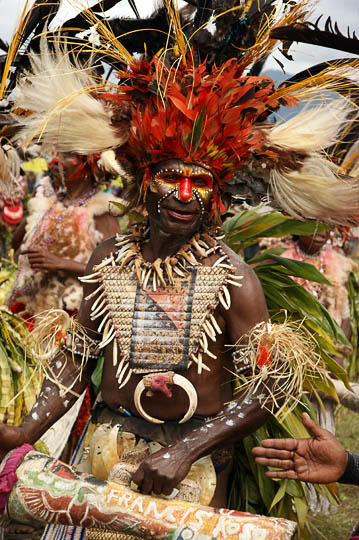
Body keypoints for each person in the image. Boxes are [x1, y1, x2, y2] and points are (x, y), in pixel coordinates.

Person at [1, 3, 359, 535]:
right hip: (102, 451)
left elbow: (270, 385)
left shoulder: (235, 278)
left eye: (202, 183)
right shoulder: (107, 261)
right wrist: (25, 430)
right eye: (174, 177)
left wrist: (187, 450)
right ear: (146, 181)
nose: (186, 196)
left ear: (218, 197)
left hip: (192, 473)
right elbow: (78, 360)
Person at [9, 152, 122, 322]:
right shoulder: (48, 204)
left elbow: (115, 274)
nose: (54, 161)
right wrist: (34, 215)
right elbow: (16, 248)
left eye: (66, 156)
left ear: (88, 166)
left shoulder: (101, 212)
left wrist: (61, 264)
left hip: (70, 321)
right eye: (55, 155)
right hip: (30, 313)